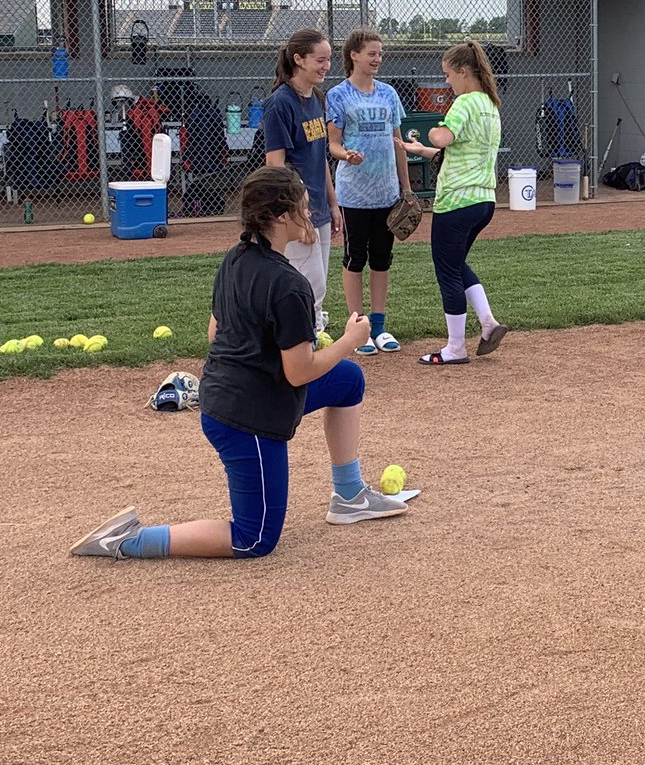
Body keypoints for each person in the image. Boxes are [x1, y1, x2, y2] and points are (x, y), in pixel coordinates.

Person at [70, 167, 407, 561]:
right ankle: (130, 540)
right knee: (254, 538)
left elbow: (216, 334)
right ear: (281, 216)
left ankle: (349, 495)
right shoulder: (288, 285)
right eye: (302, 203)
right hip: (247, 419)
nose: (308, 208)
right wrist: (351, 340)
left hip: (226, 397)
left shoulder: (235, 258)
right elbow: (299, 371)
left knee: (346, 380)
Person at [399, 40, 507, 365]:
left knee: (446, 270)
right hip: (483, 200)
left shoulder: (464, 103)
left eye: (448, 75)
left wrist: (432, 132)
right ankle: (487, 323)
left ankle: (455, 348)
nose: (447, 81)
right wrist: (419, 151)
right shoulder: (490, 104)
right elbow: (458, 151)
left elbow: (443, 138)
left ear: (463, 71)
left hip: (456, 202)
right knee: (456, 263)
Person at [326, 29, 411, 356]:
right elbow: (332, 144)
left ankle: (379, 325)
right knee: (354, 258)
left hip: (386, 191)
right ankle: (357, 326)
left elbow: (398, 144)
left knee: (381, 260)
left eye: (380, 53)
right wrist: (346, 154)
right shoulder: (338, 95)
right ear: (354, 56)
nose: (377, 59)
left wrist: (405, 188)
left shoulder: (389, 93)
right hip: (353, 194)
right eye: (371, 53)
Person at [263, 28, 339, 332]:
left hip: (318, 206)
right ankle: (307, 340)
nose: (326, 66)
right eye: (320, 60)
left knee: (317, 284)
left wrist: (333, 205)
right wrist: (295, 213)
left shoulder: (316, 99)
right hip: (297, 211)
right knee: (309, 283)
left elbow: (319, 158)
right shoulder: (280, 103)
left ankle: (310, 330)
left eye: (328, 60)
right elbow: (275, 166)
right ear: (298, 59)